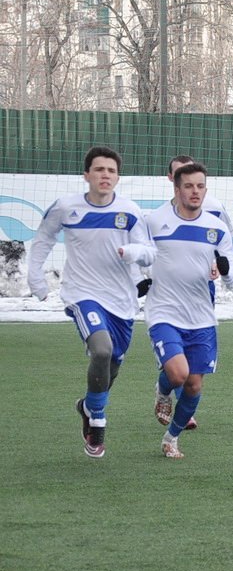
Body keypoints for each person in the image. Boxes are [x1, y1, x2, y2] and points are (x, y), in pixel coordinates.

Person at [28, 146, 156, 458]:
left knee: (112, 365)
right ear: (86, 175)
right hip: (82, 294)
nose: (105, 175)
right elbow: (43, 239)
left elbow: (149, 252)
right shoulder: (66, 207)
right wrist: (36, 280)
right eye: (99, 169)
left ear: (118, 177)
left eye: (111, 171)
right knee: (101, 349)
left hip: (121, 301)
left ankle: (87, 406)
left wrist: (133, 252)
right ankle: (97, 419)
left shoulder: (130, 211)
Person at [146, 162, 233, 459]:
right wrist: (138, 279)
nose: (195, 191)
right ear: (176, 189)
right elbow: (137, 255)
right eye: (188, 186)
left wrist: (227, 271)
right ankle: (163, 391)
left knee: (194, 384)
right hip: (164, 311)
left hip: (201, 315)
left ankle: (171, 438)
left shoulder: (216, 227)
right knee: (178, 374)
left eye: (200, 186)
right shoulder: (155, 221)